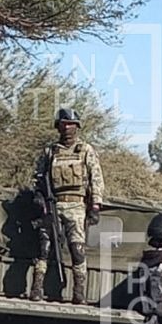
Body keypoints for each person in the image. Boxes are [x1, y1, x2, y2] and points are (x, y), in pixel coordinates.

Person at [29, 108, 104, 305]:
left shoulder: (86, 150)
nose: (68, 128)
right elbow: (38, 178)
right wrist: (39, 196)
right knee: (44, 249)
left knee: (77, 250)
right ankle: (36, 289)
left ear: (77, 126)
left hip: (77, 206)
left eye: (71, 124)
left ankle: (79, 293)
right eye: (64, 124)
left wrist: (95, 206)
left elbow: (96, 179)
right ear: (58, 126)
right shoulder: (50, 151)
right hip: (52, 205)